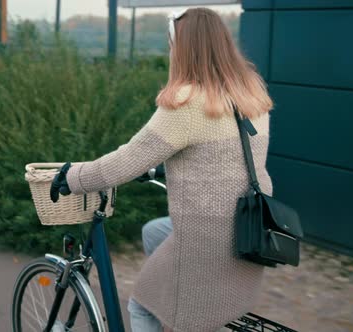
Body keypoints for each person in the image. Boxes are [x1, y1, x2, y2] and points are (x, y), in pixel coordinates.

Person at [50, 7, 273, 332]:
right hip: (249, 226)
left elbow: (125, 161)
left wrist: (74, 177)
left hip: (208, 236)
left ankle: (175, 303)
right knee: (154, 232)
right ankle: (178, 302)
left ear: (182, 49)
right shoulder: (250, 92)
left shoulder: (186, 102)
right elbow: (225, 157)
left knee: (141, 307)